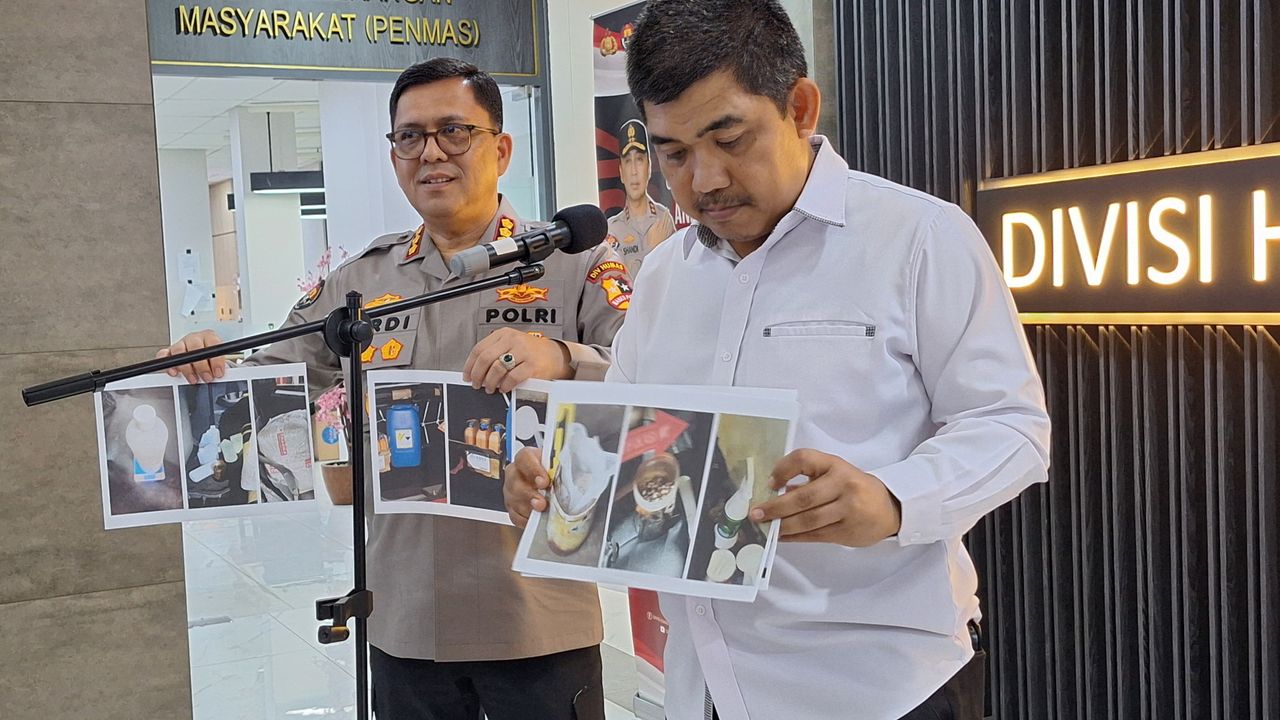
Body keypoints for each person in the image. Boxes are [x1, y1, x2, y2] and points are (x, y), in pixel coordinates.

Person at [504, 2, 1052, 719]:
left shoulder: (919, 238)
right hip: (705, 685)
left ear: (799, 107)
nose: (703, 182)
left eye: (729, 139)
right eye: (673, 153)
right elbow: (635, 436)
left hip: (881, 687)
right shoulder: (666, 276)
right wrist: (560, 481)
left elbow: (1012, 427)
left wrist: (893, 500)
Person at [161, 58, 628, 720]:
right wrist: (206, 363)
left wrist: (559, 356)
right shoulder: (359, 284)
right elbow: (271, 378)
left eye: (453, 131)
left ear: (500, 148)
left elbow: (653, 382)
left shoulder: (574, 264)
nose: (430, 151)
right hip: (407, 625)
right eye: (409, 136)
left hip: (536, 621)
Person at [606, 118, 677, 276]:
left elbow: (672, 276)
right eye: (627, 161)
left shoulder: (663, 218)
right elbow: (616, 284)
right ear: (621, 172)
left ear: (649, 167)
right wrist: (653, 250)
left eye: (639, 160)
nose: (634, 171)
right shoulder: (612, 228)